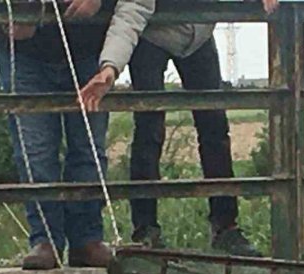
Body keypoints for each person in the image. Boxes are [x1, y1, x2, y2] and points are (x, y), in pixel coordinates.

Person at [79, 1, 278, 257]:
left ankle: (226, 226)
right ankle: (145, 230)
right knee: (150, 129)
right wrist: (111, 66)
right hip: (152, 36)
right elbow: (131, 11)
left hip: (198, 34)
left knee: (215, 126)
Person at [0, 0, 154, 270]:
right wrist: (5, 15)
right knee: (35, 152)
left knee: (89, 149)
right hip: (24, 53)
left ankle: (86, 239)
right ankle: (45, 239)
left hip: (89, 50)